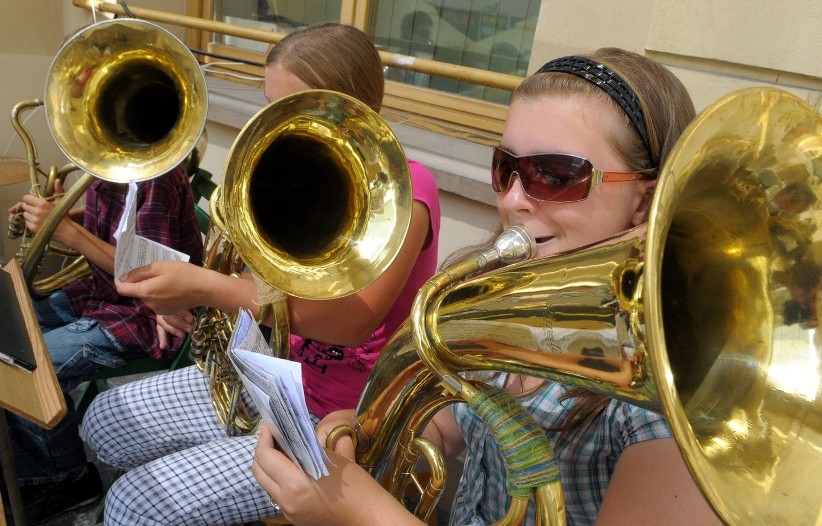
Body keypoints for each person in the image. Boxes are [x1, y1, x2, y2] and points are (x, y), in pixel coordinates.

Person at [251, 48, 723, 525]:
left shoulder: (674, 399)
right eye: (506, 168)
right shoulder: (508, 294)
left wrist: (355, 510)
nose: (513, 200)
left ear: (644, 203)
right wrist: (368, 428)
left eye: (556, 175)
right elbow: (453, 423)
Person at [82, 22, 442, 526]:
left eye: (289, 106)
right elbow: (250, 279)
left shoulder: (410, 186)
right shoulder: (285, 169)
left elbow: (352, 322)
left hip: (335, 419)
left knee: (135, 505)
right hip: (266, 377)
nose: (273, 122)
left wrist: (210, 287)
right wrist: (186, 297)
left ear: (347, 103)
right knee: (104, 422)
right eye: (270, 105)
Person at [3, 163, 203, 523]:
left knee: (28, 367)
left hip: (144, 316)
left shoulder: (156, 177)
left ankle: (66, 478)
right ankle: (34, 458)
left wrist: (65, 229)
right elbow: (117, 231)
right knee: (9, 327)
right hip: (99, 294)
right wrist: (57, 215)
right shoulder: (112, 162)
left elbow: (153, 275)